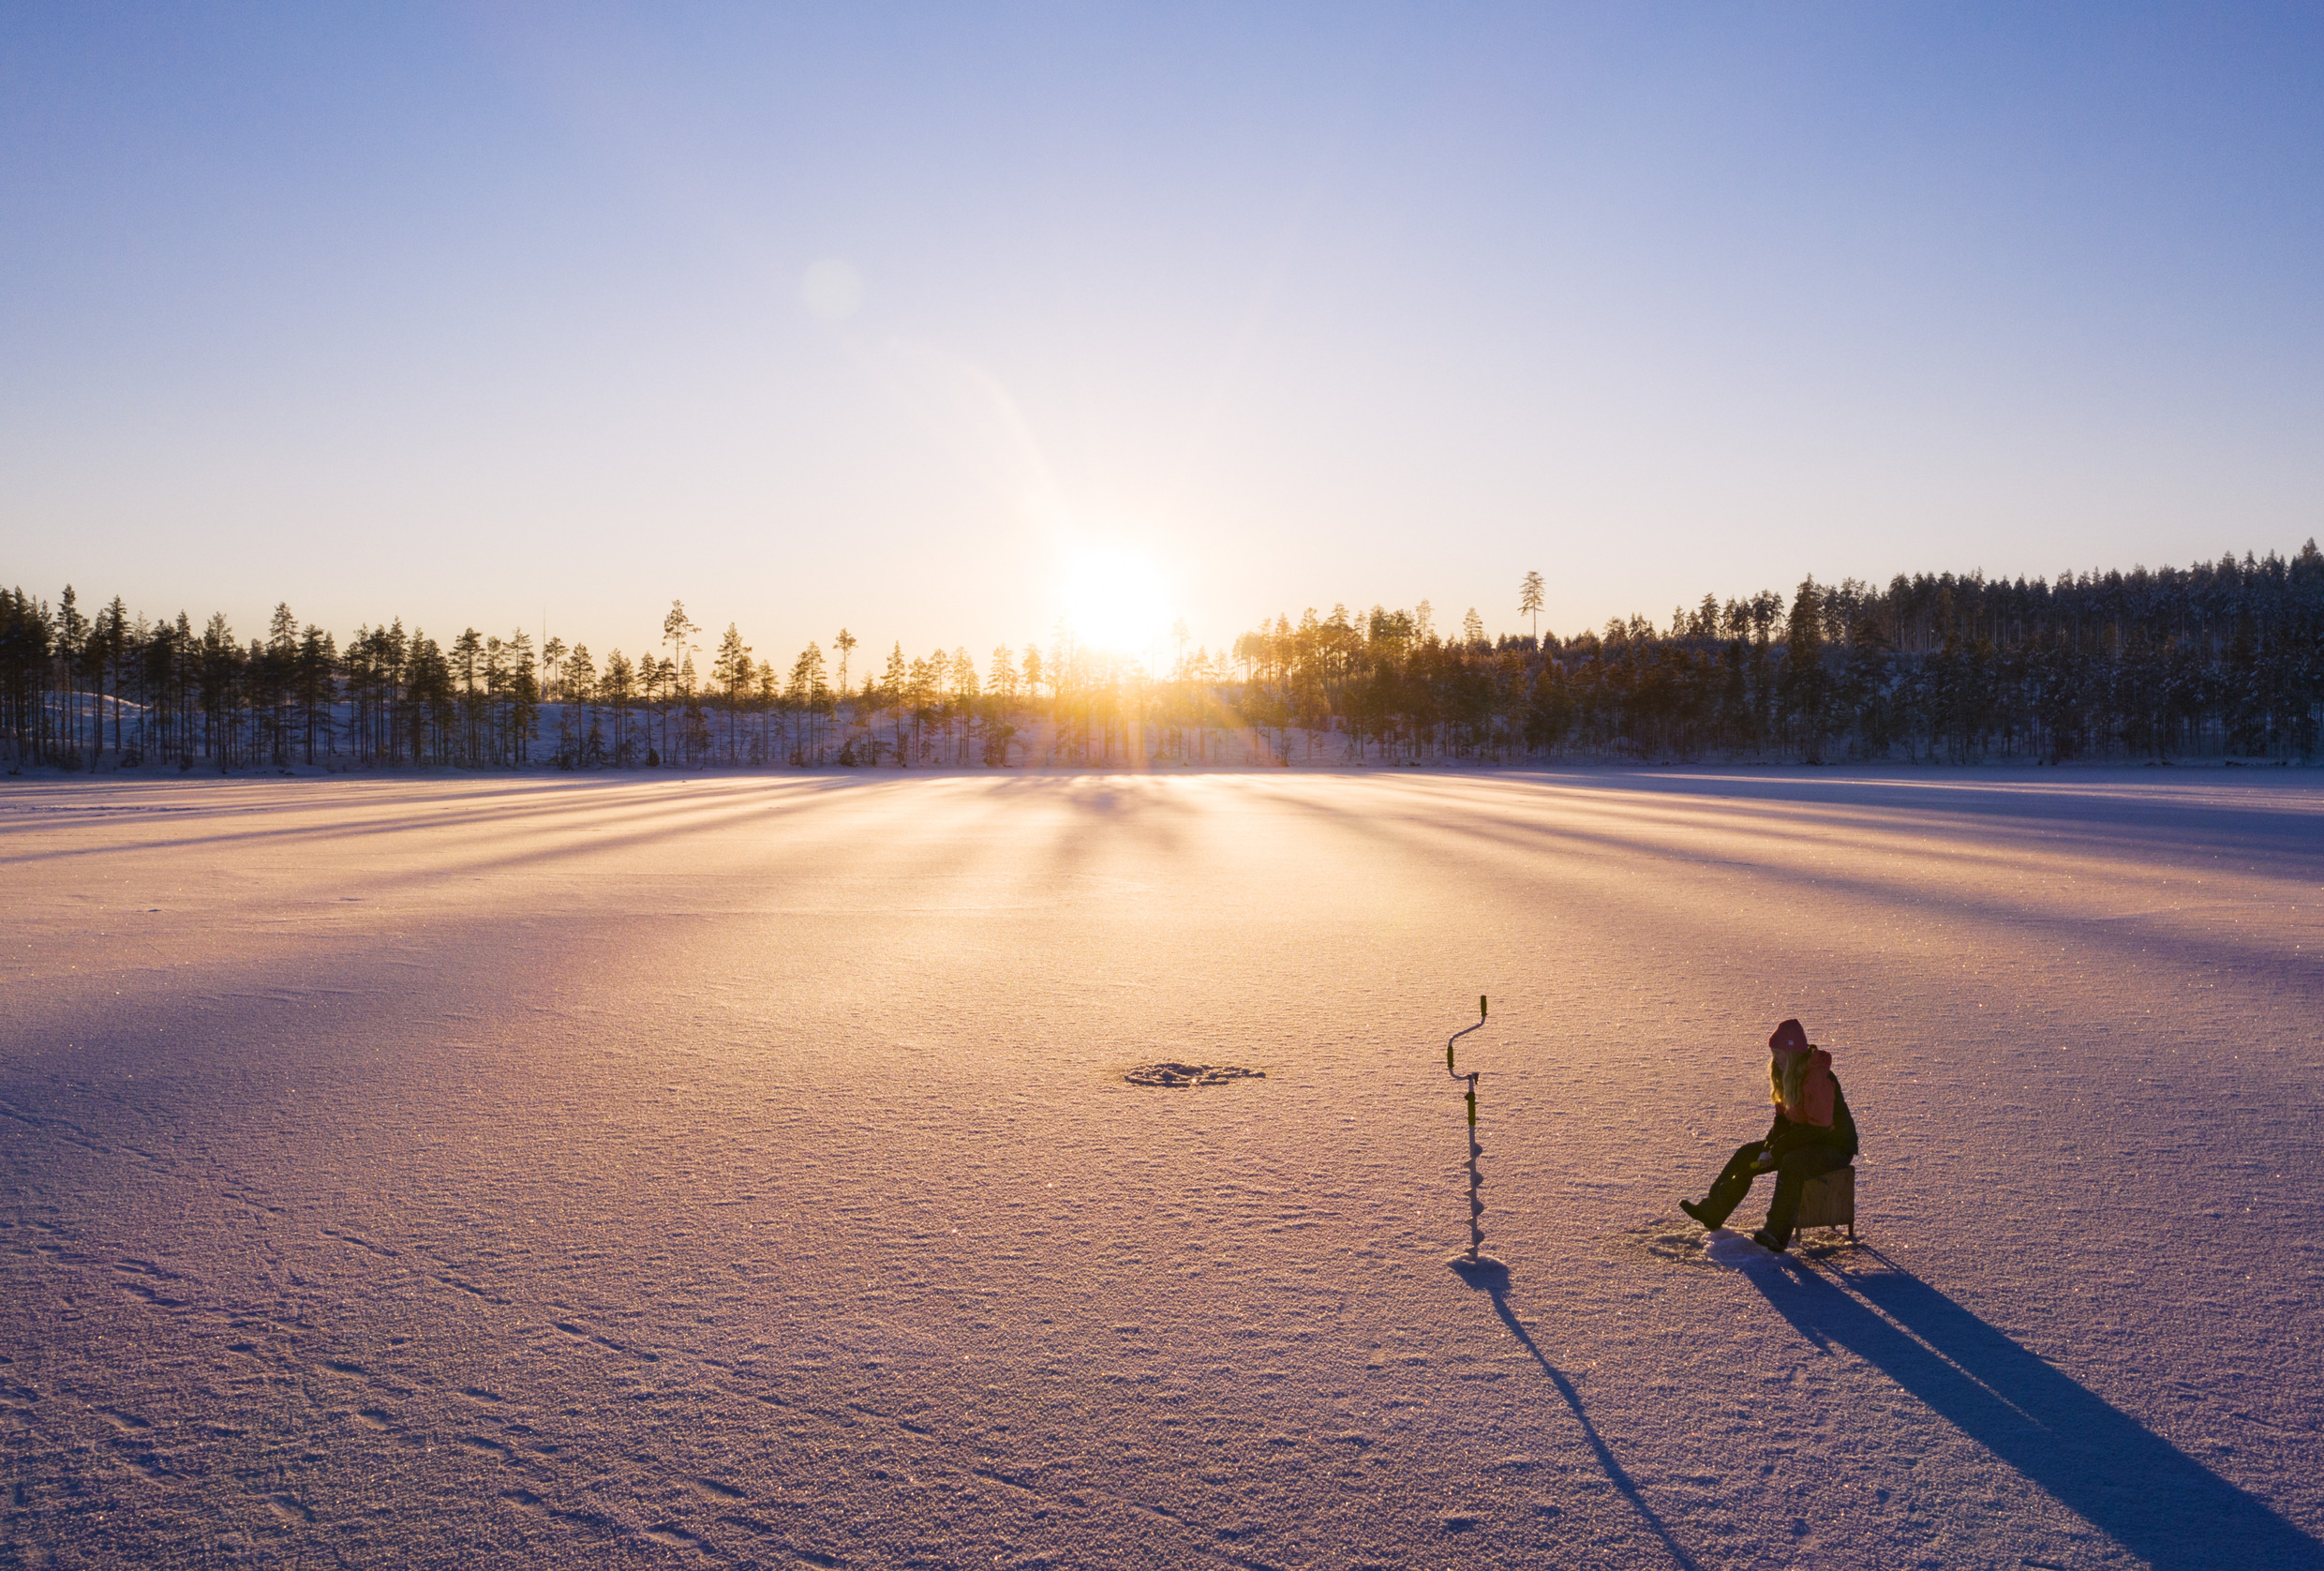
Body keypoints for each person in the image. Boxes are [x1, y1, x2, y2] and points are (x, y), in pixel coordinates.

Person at [1681, 1018, 1858, 1254]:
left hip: (1834, 1146)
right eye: (1774, 1052)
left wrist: (1780, 1148)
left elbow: (1820, 1127)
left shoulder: (1817, 1077)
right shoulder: (1783, 1074)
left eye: (1781, 1052)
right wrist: (1768, 1146)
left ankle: (1776, 1233)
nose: (1777, 1058)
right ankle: (1713, 1210)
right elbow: (1783, 1120)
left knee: (1792, 1163)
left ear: (1795, 1052)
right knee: (1748, 1154)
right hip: (1805, 1140)